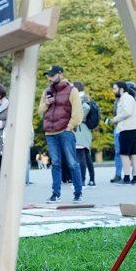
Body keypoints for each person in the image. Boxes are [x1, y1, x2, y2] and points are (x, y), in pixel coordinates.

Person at [38, 65, 83, 204]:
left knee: (72, 163)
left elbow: (78, 112)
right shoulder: (47, 91)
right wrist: (46, 103)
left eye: (52, 75)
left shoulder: (72, 90)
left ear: (60, 74)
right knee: (55, 164)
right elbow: (40, 112)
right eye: (48, 75)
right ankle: (55, 194)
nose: (49, 77)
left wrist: (70, 127)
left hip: (65, 131)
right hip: (50, 133)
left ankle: (78, 193)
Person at [110, 80, 136, 184]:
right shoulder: (128, 98)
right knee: (133, 154)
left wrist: (115, 119)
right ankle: (135, 178)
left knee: (124, 154)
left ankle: (126, 178)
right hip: (133, 128)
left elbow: (127, 112)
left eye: (115, 89)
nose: (113, 91)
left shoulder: (126, 99)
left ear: (121, 89)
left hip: (127, 128)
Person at [72, 81, 96, 188]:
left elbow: (86, 108)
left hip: (80, 131)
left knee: (81, 156)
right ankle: (92, 180)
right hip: (85, 131)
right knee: (87, 156)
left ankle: (82, 181)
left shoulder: (80, 99)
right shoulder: (85, 98)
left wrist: (78, 119)